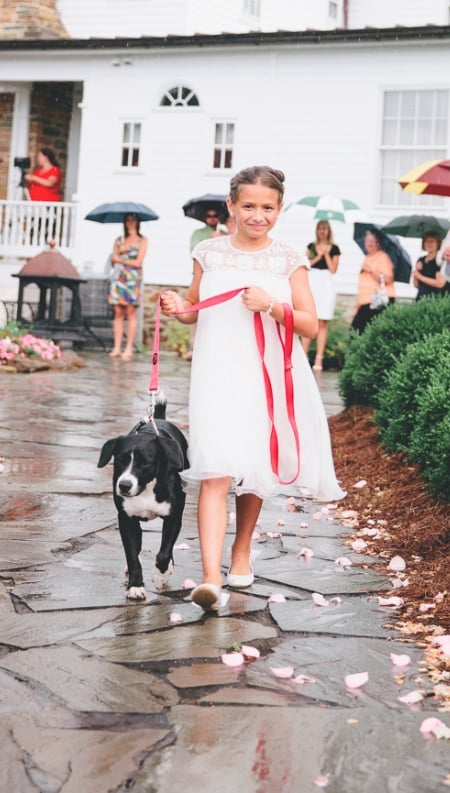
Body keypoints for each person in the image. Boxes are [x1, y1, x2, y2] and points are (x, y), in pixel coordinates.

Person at [160, 165, 345, 611]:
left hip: (267, 374)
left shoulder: (288, 258)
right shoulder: (209, 252)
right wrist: (177, 307)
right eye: (248, 206)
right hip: (217, 373)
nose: (256, 215)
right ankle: (208, 577)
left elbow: (309, 321)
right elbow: (195, 308)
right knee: (216, 466)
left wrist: (274, 306)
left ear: (279, 210)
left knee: (255, 464)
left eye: (267, 207)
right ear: (231, 207)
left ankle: (241, 550)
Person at [185, 208, 229, 360]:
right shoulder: (198, 234)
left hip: (221, 279)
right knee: (197, 309)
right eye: (209, 215)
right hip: (202, 277)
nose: (212, 218)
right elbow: (194, 253)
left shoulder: (226, 234)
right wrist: (211, 242)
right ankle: (193, 347)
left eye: (215, 215)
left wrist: (221, 239)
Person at [301, 220, 340, 372]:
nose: (323, 232)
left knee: (322, 321)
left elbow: (333, 269)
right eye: (320, 229)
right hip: (313, 280)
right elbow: (307, 263)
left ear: (329, 231)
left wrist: (327, 255)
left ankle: (319, 357)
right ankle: (303, 355)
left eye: (325, 229)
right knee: (309, 316)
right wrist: (318, 255)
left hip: (326, 282)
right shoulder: (311, 246)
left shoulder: (335, 248)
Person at [108, 213, 148, 360]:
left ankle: (129, 347)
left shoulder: (142, 240)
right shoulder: (119, 240)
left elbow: (138, 262)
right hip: (119, 278)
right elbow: (113, 261)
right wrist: (120, 252)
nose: (130, 223)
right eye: (128, 220)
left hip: (133, 278)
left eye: (133, 220)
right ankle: (117, 347)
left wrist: (120, 259)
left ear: (137, 222)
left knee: (131, 312)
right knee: (118, 312)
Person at [351, 228, 395, 334]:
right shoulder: (367, 258)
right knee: (356, 330)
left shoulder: (383, 257)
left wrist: (371, 270)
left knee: (362, 331)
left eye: (372, 241)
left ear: (378, 243)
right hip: (365, 301)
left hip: (376, 301)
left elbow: (388, 279)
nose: (369, 244)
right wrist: (358, 303)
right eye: (367, 241)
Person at [413, 232, 446, 300]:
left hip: (433, 299)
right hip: (420, 298)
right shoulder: (421, 260)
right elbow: (416, 285)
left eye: (432, 241)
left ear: (437, 244)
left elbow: (440, 283)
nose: (429, 244)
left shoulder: (439, 261)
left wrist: (420, 277)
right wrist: (416, 271)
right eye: (426, 241)